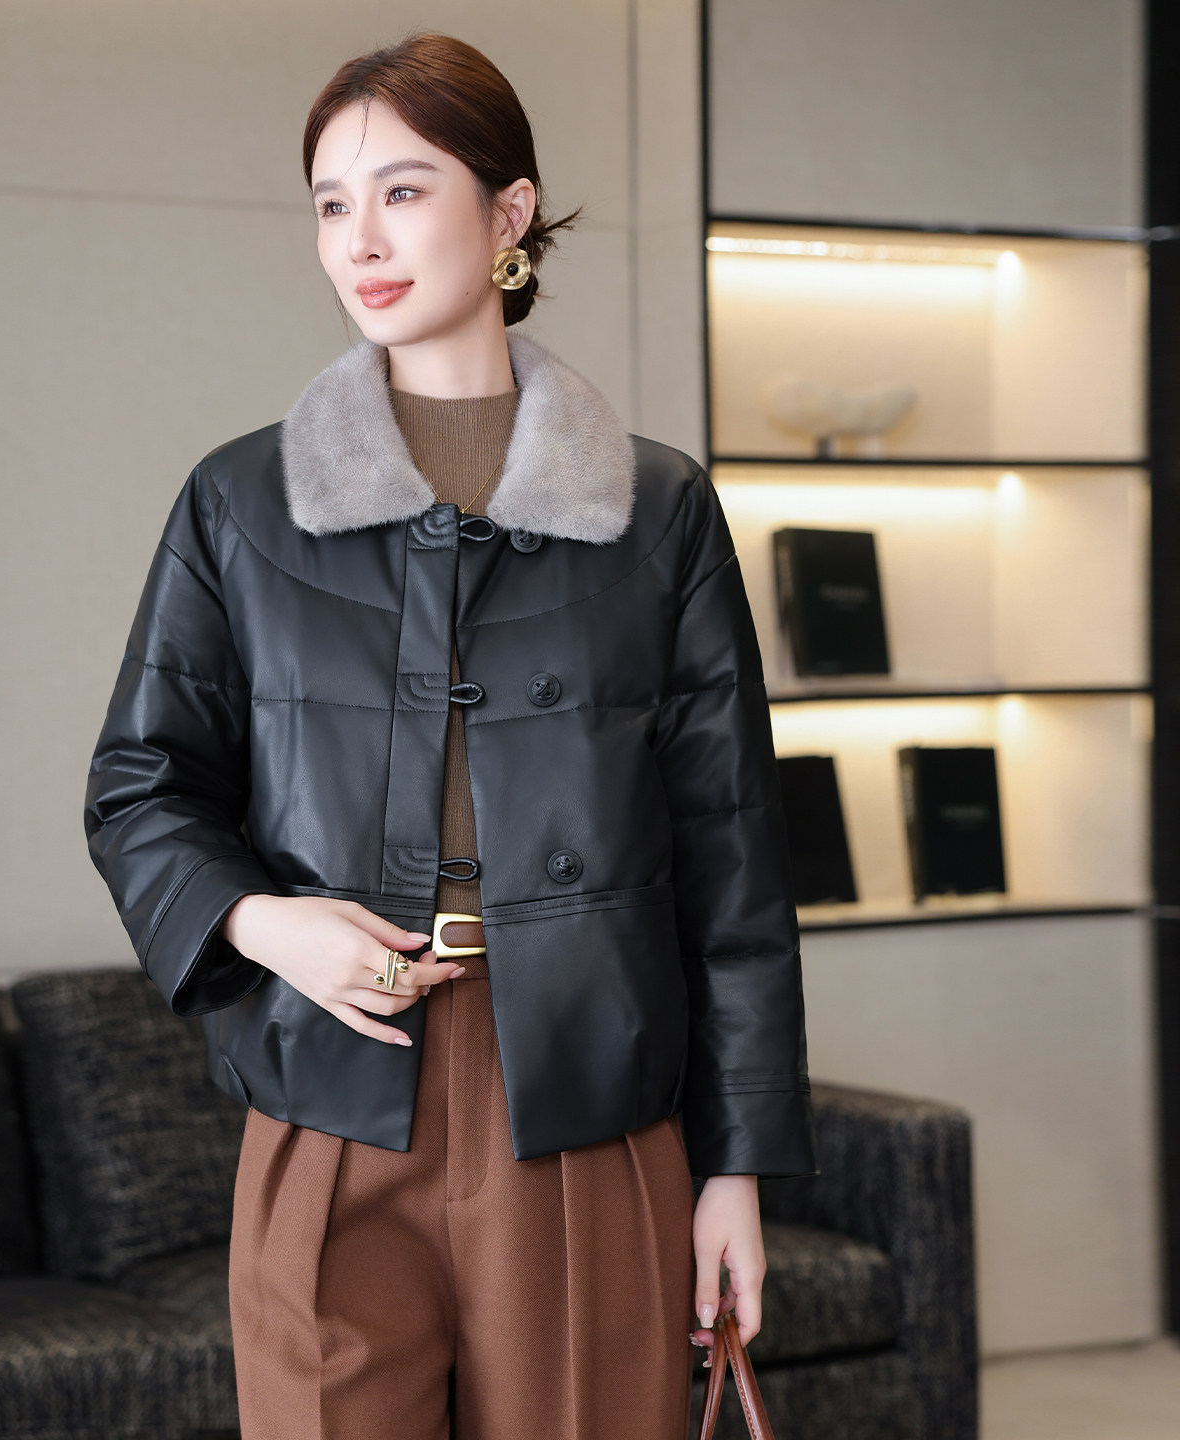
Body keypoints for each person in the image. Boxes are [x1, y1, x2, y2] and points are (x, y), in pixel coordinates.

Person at [83, 31, 815, 1440]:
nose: (360, 239)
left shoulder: (658, 513)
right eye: (331, 202)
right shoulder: (240, 506)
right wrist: (267, 925)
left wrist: (735, 1168)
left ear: (509, 210)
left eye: (404, 191)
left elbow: (733, 866)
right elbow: (141, 786)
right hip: (330, 1094)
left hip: (588, 1104)